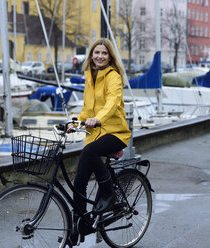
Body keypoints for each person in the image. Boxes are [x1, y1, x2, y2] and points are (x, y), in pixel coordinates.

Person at [67, 38, 131, 244]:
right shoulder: (90, 76)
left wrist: (99, 119)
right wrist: (75, 122)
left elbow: (112, 103)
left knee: (89, 152)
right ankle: (80, 225)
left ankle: (108, 193)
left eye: (104, 53)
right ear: (91, 55)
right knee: (79, 182)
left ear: (110, 56)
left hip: (116, 133)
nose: (100, 56)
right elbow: (87, 108)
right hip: (95, 133)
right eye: (97, 53)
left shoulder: (113, 76)